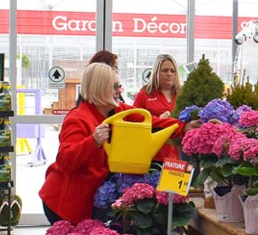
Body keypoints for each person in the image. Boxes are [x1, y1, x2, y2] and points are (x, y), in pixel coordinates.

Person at [39, 62, 188, 225]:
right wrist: (93, 141)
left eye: (120, 86)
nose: (120, 91)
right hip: (65, 204)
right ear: (100, 88)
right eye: (115, 86)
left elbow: (152, 123)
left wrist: (184, 127)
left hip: (90, 202)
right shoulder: (78, 119)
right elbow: (65, 160)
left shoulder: (118, 111)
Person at [133, 53, 182, 162]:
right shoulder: (144, 95)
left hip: (179, 156)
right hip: (154, 156)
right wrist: (158, 120)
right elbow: (134, 125)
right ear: (156, 72)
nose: (169, 74)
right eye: (165, 70)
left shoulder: (183, 94)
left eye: (172, 71)